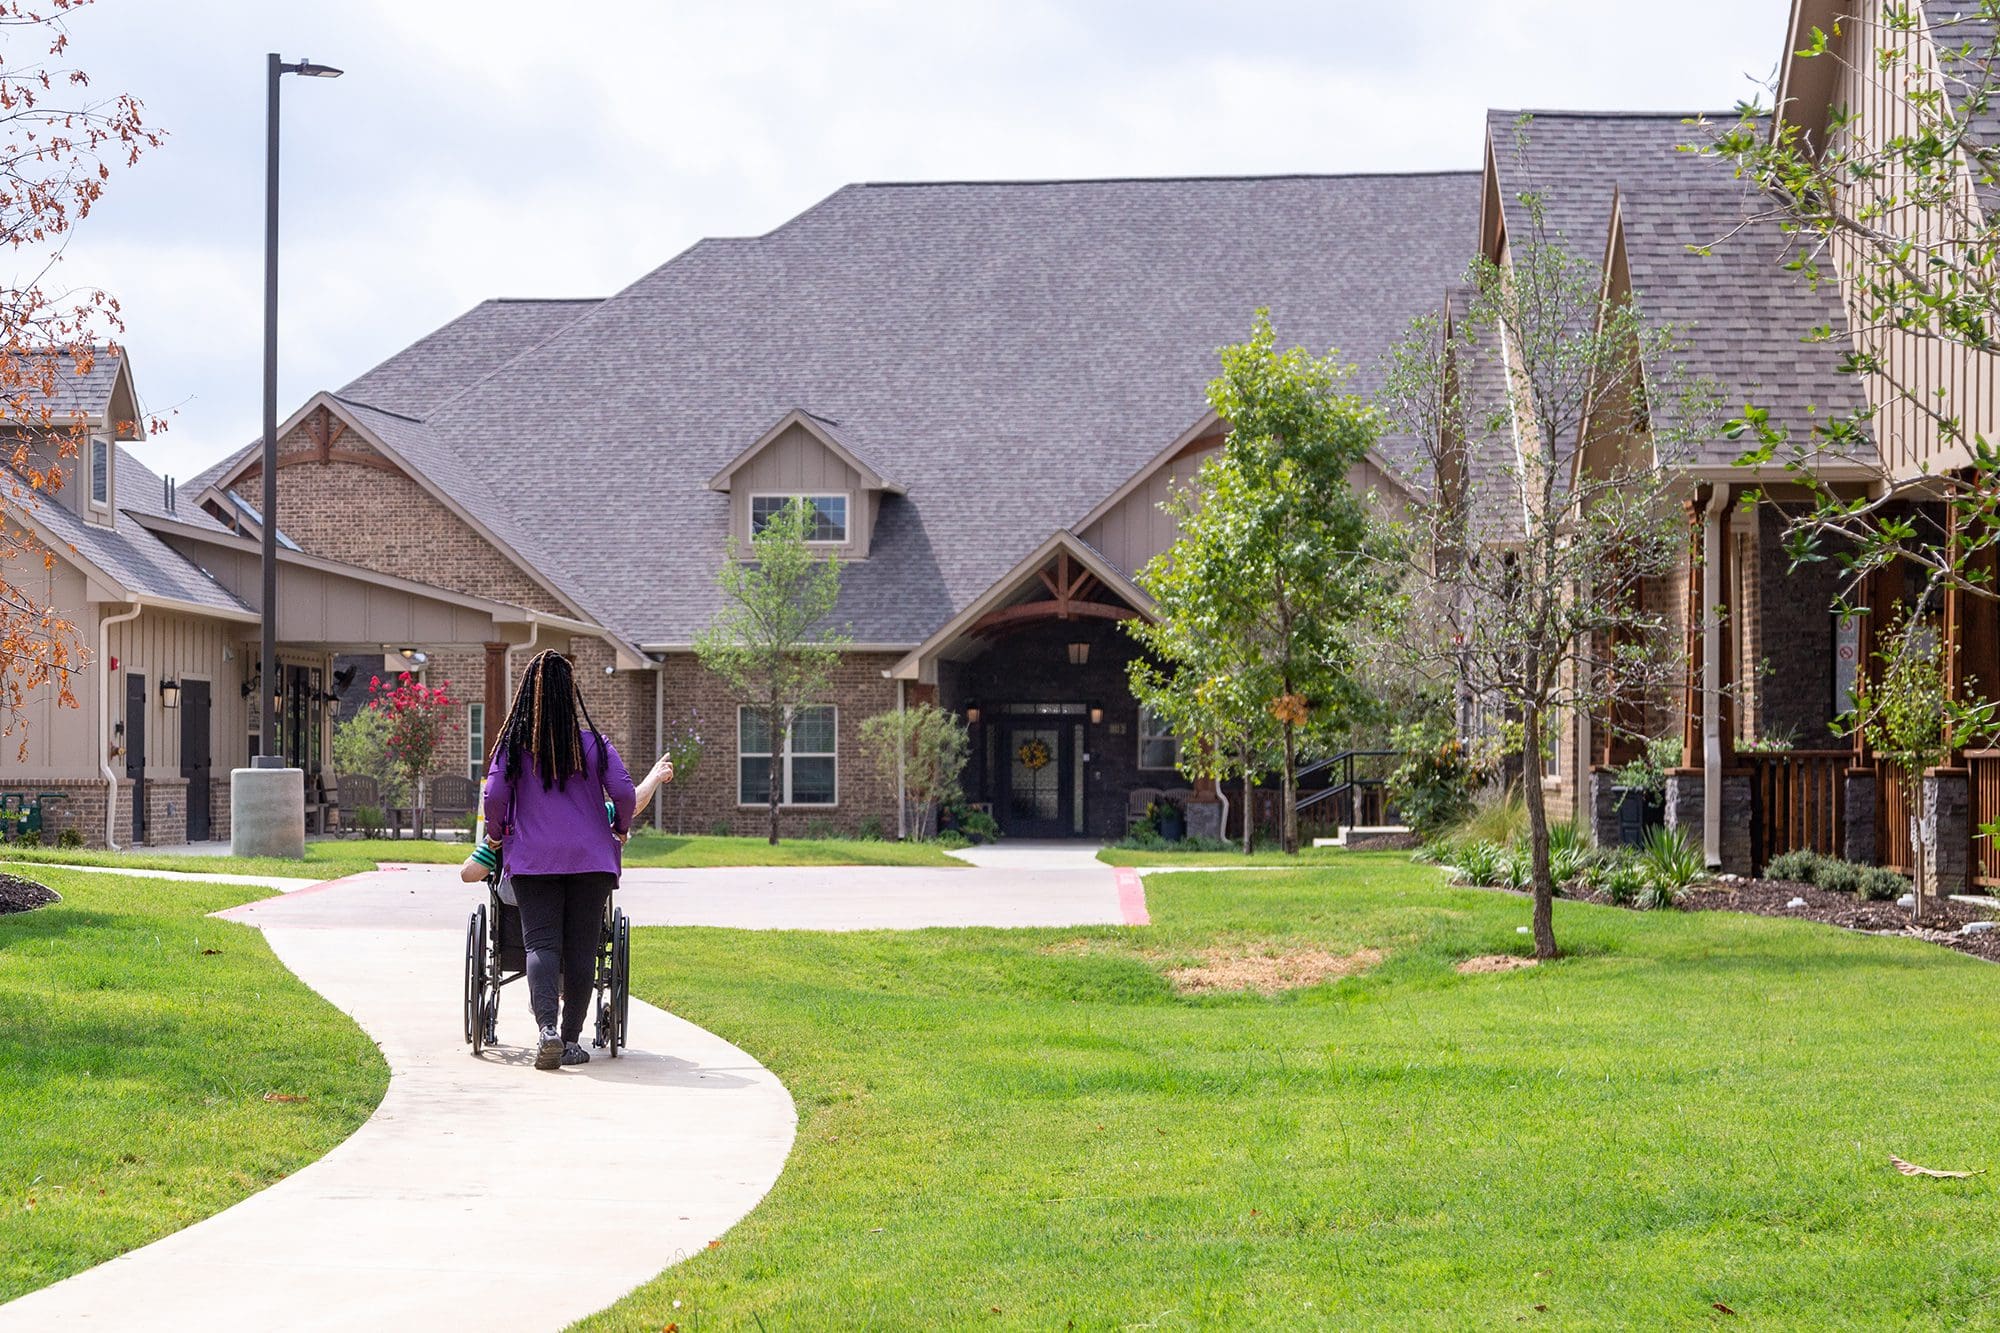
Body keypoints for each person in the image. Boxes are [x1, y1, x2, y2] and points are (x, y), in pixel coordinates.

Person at [481, 649, 637, 1071]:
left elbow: (494, 797)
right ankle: (570, 1040)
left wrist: (496, 836)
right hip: (591, 862)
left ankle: (546, 1030)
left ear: (527, 696)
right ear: (570, 695)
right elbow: (624, 793)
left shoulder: (512, 750)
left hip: (534, 862)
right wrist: (620, 828)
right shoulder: (595, 746)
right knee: (582, 950)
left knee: (542, 945)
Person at [460, 751, 674, 883]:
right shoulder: (593, 815)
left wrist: (493, 844)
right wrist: (654, 777)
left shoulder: (510, 822)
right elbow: (630, 803)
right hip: (587, 881)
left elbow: (468, 874)